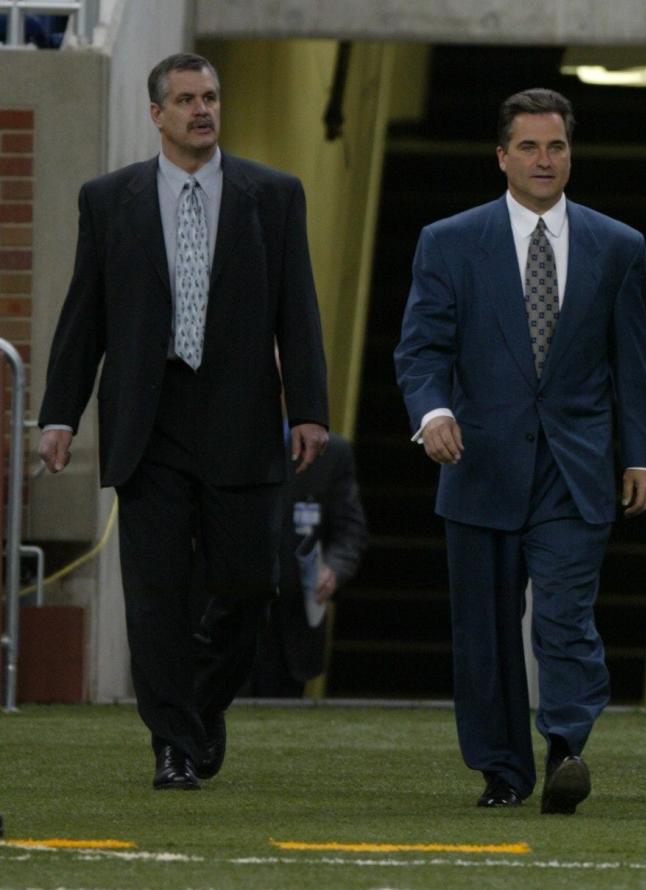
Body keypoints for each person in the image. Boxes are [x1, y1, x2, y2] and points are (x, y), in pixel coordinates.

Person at [38, 52, 329, 790]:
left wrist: (312, 410)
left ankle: (198, 708)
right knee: (156, 593)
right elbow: (84, 318)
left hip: (242, 418)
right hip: (149, 419)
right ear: (156, 113)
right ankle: (171, 744)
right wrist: (59, 416)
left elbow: (299, 307)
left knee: (245, 590)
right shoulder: (109, 200)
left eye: (212, 97)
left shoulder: (275, 194)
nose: (203, 110)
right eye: (188, 99)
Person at [394, 88, 646, 815]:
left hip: (575, 470)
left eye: (558, 146)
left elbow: (632, 362)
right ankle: (503, 771)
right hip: (478, 464)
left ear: (571, 153)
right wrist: (434, 411)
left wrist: (643, 454)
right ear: (502, 156)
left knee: (565, 617)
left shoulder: (618, 245)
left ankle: (567, 746)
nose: (546, 160)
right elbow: (420, 349)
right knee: (483, 632)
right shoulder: (449, 240)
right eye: (531, 147)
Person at [244, 431, 367, 697]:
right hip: (227, 616)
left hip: (293, 624)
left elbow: (350, 532)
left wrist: (333, 568)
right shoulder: (223, 441)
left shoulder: (331, 453)